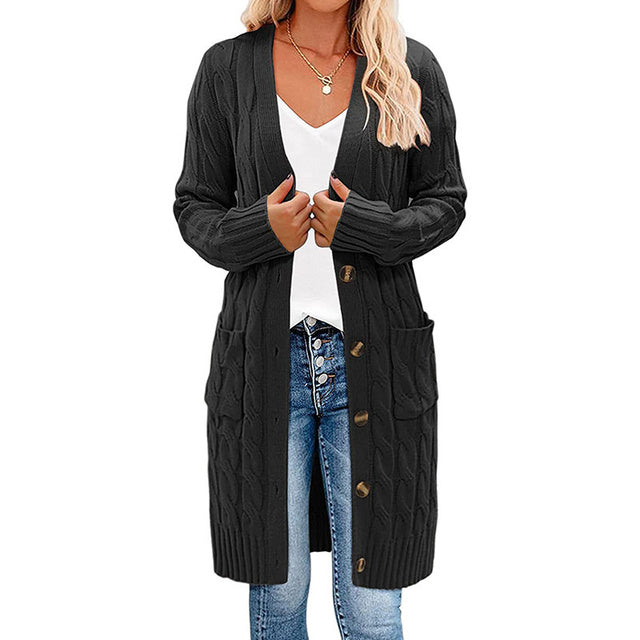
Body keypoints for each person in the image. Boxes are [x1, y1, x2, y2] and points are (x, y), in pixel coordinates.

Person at [173, 1, 467, 638]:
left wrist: (365, 227)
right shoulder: (226, 68)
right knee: (279, 595)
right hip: (263, 364)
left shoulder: (408, 67)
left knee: (372, 607)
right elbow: (195, 206)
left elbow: (445, 201)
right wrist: (261, 231)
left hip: (379, 365)